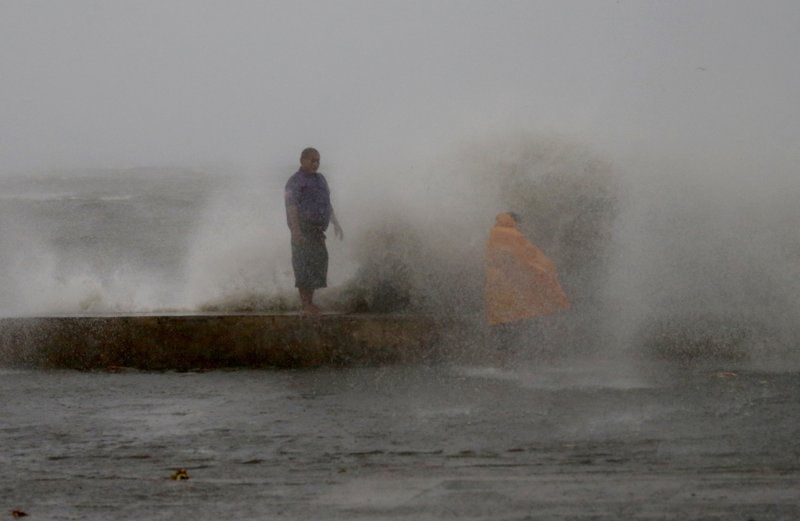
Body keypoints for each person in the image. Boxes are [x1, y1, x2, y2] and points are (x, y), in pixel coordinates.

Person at [485, 212, 569, 346]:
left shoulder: (493, 233)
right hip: (512, 284)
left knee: (500, 320)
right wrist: (545, 270)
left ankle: (501, 361)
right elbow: (527, 257)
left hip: (494, 284)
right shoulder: (513, 235)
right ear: (515, 221)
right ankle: (514, 359)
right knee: (514, 320)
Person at [284, 147, 343, 314]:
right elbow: (292, 206)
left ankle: (310, 302)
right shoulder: (295, 181)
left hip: (318, 230)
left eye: (318, 160)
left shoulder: (320, 179)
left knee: (319, 263)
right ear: (302, 160)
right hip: (303, 229)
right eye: (312, 160)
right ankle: (306, 304)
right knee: (304, 265)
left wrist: (336, 223)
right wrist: (296, 231)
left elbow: (327, 203)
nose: (316, 163)